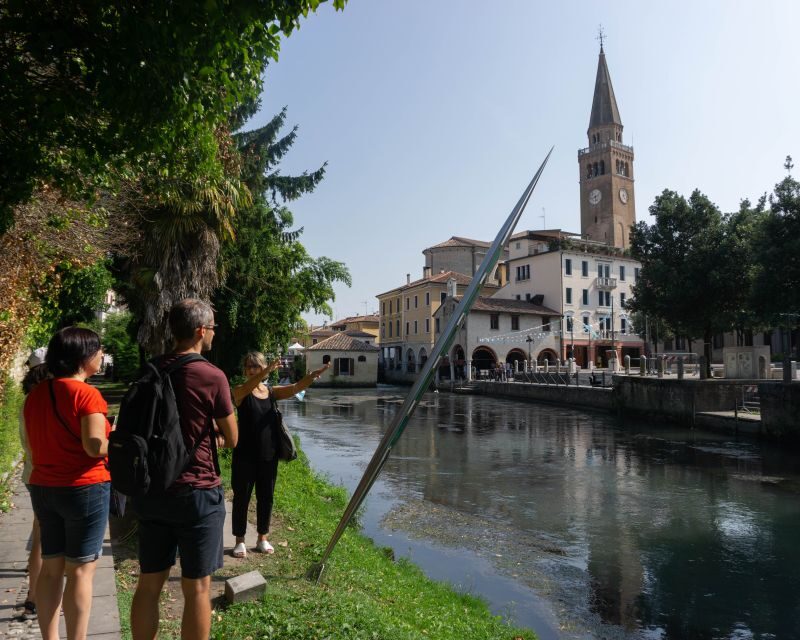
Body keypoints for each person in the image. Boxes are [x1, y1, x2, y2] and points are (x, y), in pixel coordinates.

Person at [130, 299, 237, 640]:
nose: (215, 334)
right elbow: (232, 436)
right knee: (198, 589)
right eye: (213, 329)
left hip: (153, 489)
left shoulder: (151, 369)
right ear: (200, 331)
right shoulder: (211, 375)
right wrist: (211, 435)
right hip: (197, 493)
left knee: (148, 584)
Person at [23, 328, 111, 640]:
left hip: (44, 488)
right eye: (99, 350)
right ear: (84, 356)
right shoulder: (87, 394)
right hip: (84, 488)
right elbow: (94, 446)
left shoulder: (35, 395)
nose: (101, 356)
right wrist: (121, 441)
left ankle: (50, 637)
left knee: (50, 568)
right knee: (80, 571)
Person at [230, 352, 330, 558]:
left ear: (263, 367)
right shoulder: (240, 392)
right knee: (242, 498)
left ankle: (262, 538)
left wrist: (309, 378)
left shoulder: (270, 392)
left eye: (256, 366)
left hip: (269, 455)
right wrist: (265, 372)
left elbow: (294, 389)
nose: (252, 370)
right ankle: (239, 540)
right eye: (249, 366)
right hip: (244, 455)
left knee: (266, 497)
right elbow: (246, 388)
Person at [17, 356, 50, 621]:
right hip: (49, 477)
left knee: (39, 534)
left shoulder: (27, 403)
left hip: (33, 475)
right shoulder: (44, 404)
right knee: (44, 541)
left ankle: (33, 597)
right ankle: (35, 597)